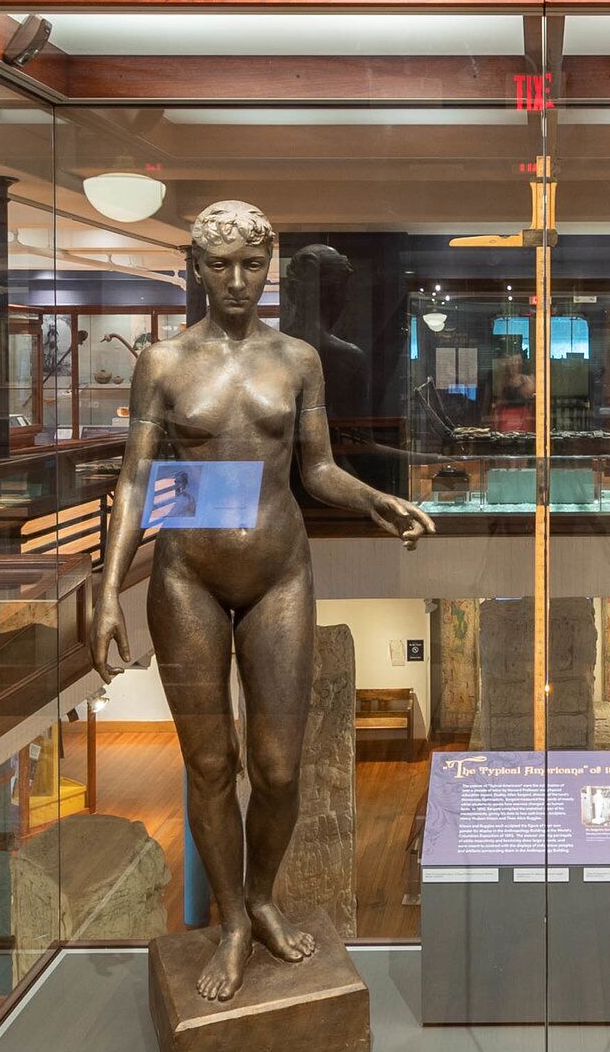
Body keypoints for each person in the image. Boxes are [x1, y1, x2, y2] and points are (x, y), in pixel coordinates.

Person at [97, 201, 435, 1002]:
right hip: (187, 575)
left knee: (279, 770)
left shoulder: (298, 359)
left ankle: (261, 898)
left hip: (280, 570)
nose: (238, 282)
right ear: (196, 268)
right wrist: (108, 588)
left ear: (270, 266)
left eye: (252, 266)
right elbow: (136, 479)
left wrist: (374, 500)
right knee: (212, 765)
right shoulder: (164, 362)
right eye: (221, 267)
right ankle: (231, 923)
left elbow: (315, 468)